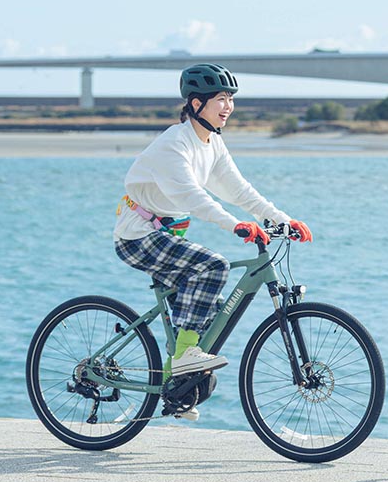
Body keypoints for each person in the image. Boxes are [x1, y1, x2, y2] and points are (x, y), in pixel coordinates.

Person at [113, 63, 312, 420]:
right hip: (138, 236)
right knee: (213, 267)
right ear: (194, 104)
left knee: (211, 306)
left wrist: (282, 220)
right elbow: (192, 197)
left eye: (230, 99)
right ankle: (185, 359)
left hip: (168, 234)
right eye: (220, 99)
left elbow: (239, 190)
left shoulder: (213, 144)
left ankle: (179, 390)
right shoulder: (173, 145)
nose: (228, 107)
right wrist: (235, 225)